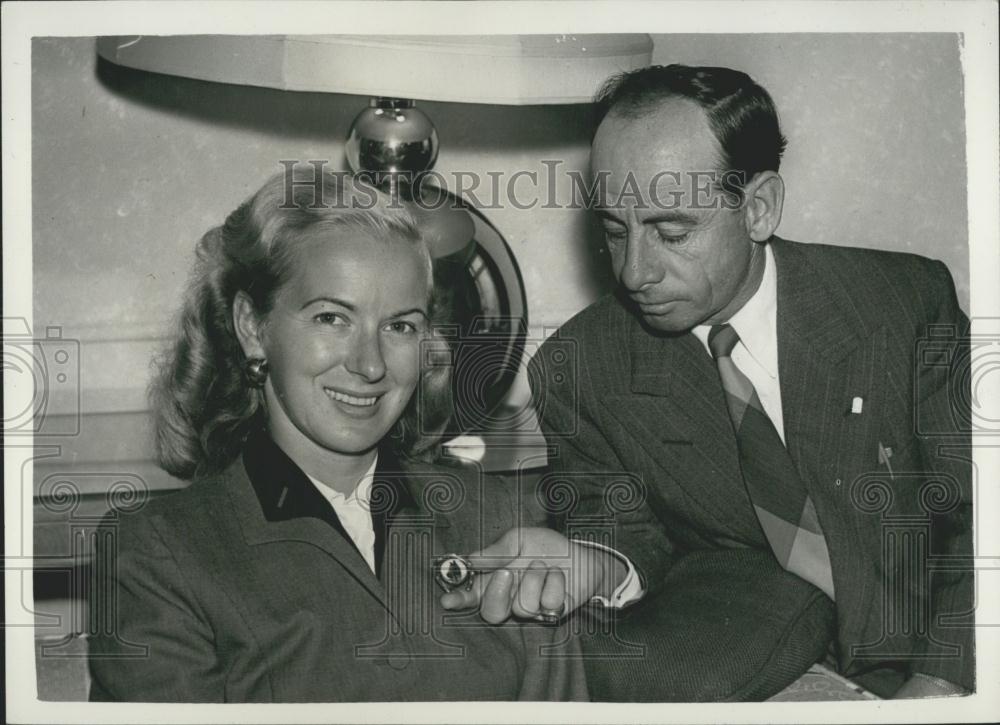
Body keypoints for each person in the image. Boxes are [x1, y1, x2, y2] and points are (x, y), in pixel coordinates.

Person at [443, 64, 973, 700]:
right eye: (614, 231)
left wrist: (944, 681)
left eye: (672, 232)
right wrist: (594, 561)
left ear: (758, 208)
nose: (635, 272)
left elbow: (980, 518)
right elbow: (623, 525)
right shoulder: (580, 366)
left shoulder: (902, 305)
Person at [87, 169, 586, 702]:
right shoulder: (161, 557)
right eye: (331, 318)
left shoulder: (494, 519)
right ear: (253, 328)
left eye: (400, 326)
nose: (369, 365)